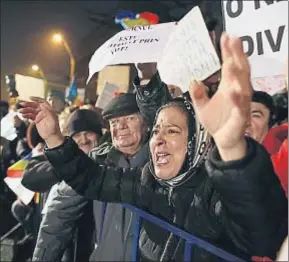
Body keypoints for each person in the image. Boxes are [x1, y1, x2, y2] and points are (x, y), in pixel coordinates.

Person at [20, 33, 287, 261]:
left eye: (172, 131)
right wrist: (54, 136)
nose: (158, 139)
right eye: (157, 130)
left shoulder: (213, 191)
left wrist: (231, 149)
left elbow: (263, 235)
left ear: (196, 143)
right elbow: (90, 178)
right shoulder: (146, 181)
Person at [25, 97, 151, 262]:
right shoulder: (96, 162)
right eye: (114, 122)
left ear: (147, 123)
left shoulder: (165, 163)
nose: (121, 126)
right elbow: (59, 215)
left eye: (130, 118)